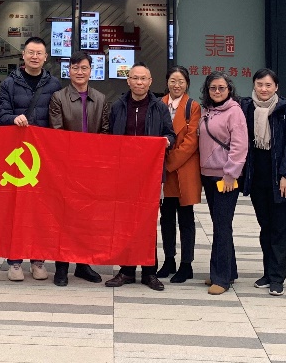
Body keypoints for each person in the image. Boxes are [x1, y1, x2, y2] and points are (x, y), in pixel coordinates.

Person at [0, 35, 61, 282]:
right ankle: (14, 261)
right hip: (17, 156)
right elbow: (0, 116)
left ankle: (38, 259)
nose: (34, 57)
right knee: (15, 210)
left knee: (41, 210)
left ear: (45, 57)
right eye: (30, 52)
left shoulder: (54, 84)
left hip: (43, 157)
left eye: (39, 53)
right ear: (23, 55)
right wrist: (13, 118)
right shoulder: (9, 83)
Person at [104, 62, 175, 291]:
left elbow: (170, 134)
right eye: (135, 78)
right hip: (124, 175)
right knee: (124, 222)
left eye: (143, 78)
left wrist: (166, 142)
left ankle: (149, 272)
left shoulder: (159, 107)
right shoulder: (118, 106)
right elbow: (110, 136)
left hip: (149, 175)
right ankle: (126, 271)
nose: (139, 82)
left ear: (150, 82)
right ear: (128, 81)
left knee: (147, 223)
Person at [48, 50, 108, 287]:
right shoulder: (58, 97)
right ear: (69, 70)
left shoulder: (101, 99)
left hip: (91, 167)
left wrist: (93, 159)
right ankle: (61, 267)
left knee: (87, 217)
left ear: (91, 70)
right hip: (66, 166)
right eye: (75, 68)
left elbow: (105, 132)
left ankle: (83, 264)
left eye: (84, 68)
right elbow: (57, 133)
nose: (79, 72)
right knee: (63, 217)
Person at [241, 68, 286, 296]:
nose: (264, 89)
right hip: (258, 181)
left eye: (268, 85)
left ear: (276, 87)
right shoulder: (247, 108)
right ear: (254, 85)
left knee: (281, 229)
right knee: (265, 227)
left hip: (281, 181)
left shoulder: (285, 111)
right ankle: (268, 273)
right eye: (260, 84)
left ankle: (277, 278)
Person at [197, 70, 248, 296]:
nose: (217, 91)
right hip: (208, 175)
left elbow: (240, 146)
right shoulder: (207, 110)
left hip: (225, 177)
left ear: (229, 90)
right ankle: (228, 270)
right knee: (220, 224)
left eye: (221, 88)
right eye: (213, 88)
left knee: (222, 225)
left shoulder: (234, 112)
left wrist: (231, 174)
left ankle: (221, 278)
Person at [156, 65, 200, 284]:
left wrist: (168, 163)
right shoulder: (158, 104)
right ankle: (169, 259)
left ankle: (186, 264)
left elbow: (190, 142)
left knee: (186, 219)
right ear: (167, 82)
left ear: (187, 84)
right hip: (163, 173)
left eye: (181, 81)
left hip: (183, 171)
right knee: (166, 219)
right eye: (173, 81)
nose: (176, 85)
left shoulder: (193, 107)